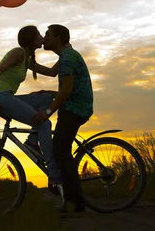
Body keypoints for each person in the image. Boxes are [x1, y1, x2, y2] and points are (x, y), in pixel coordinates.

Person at [0, 25, 62, 185]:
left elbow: (52, 73)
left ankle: (33, 142)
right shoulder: (19, 53)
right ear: (31, 39)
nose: (42, 37)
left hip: (6, 97)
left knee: (45, 98)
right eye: (39, 35)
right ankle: (54, 172)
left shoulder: (26, 60)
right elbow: (0, 69)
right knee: (44, 124)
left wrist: (65, 53)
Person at [33, 24, 93, 213]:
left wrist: (48, 111)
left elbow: (66, 90)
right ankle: (69, 196)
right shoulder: (67, 55)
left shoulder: (67, 57)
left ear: (58, 37)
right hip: (74, 106)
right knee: (61, 150)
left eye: (48, 34)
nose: (44, 37)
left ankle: (76, 203)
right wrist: (27, 63)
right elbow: (52, 73)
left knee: (60, 151)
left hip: (74, 108)